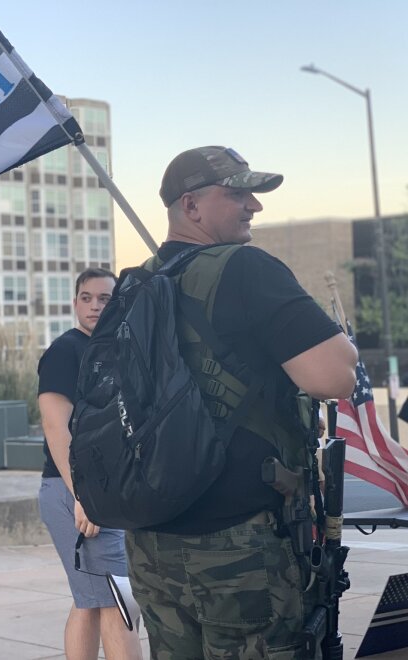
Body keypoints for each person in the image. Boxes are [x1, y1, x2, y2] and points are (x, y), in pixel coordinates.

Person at [126, 146, 358, 658]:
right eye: (237, 194)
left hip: (150, 544)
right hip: (238, 547)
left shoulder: (137, 283)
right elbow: (335, 377)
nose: (254, 205)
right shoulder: (245, 268)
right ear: (190, 205)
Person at [37, 268, 142, 660]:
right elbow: (55, 426)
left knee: (91, 601)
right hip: (77, 492)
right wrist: (83, 495)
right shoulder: (66, 351)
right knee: (119, 603)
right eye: (86, 298)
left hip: (104, 491)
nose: (95, 305)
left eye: (104, 298)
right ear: (75, 303)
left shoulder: (117, 349)